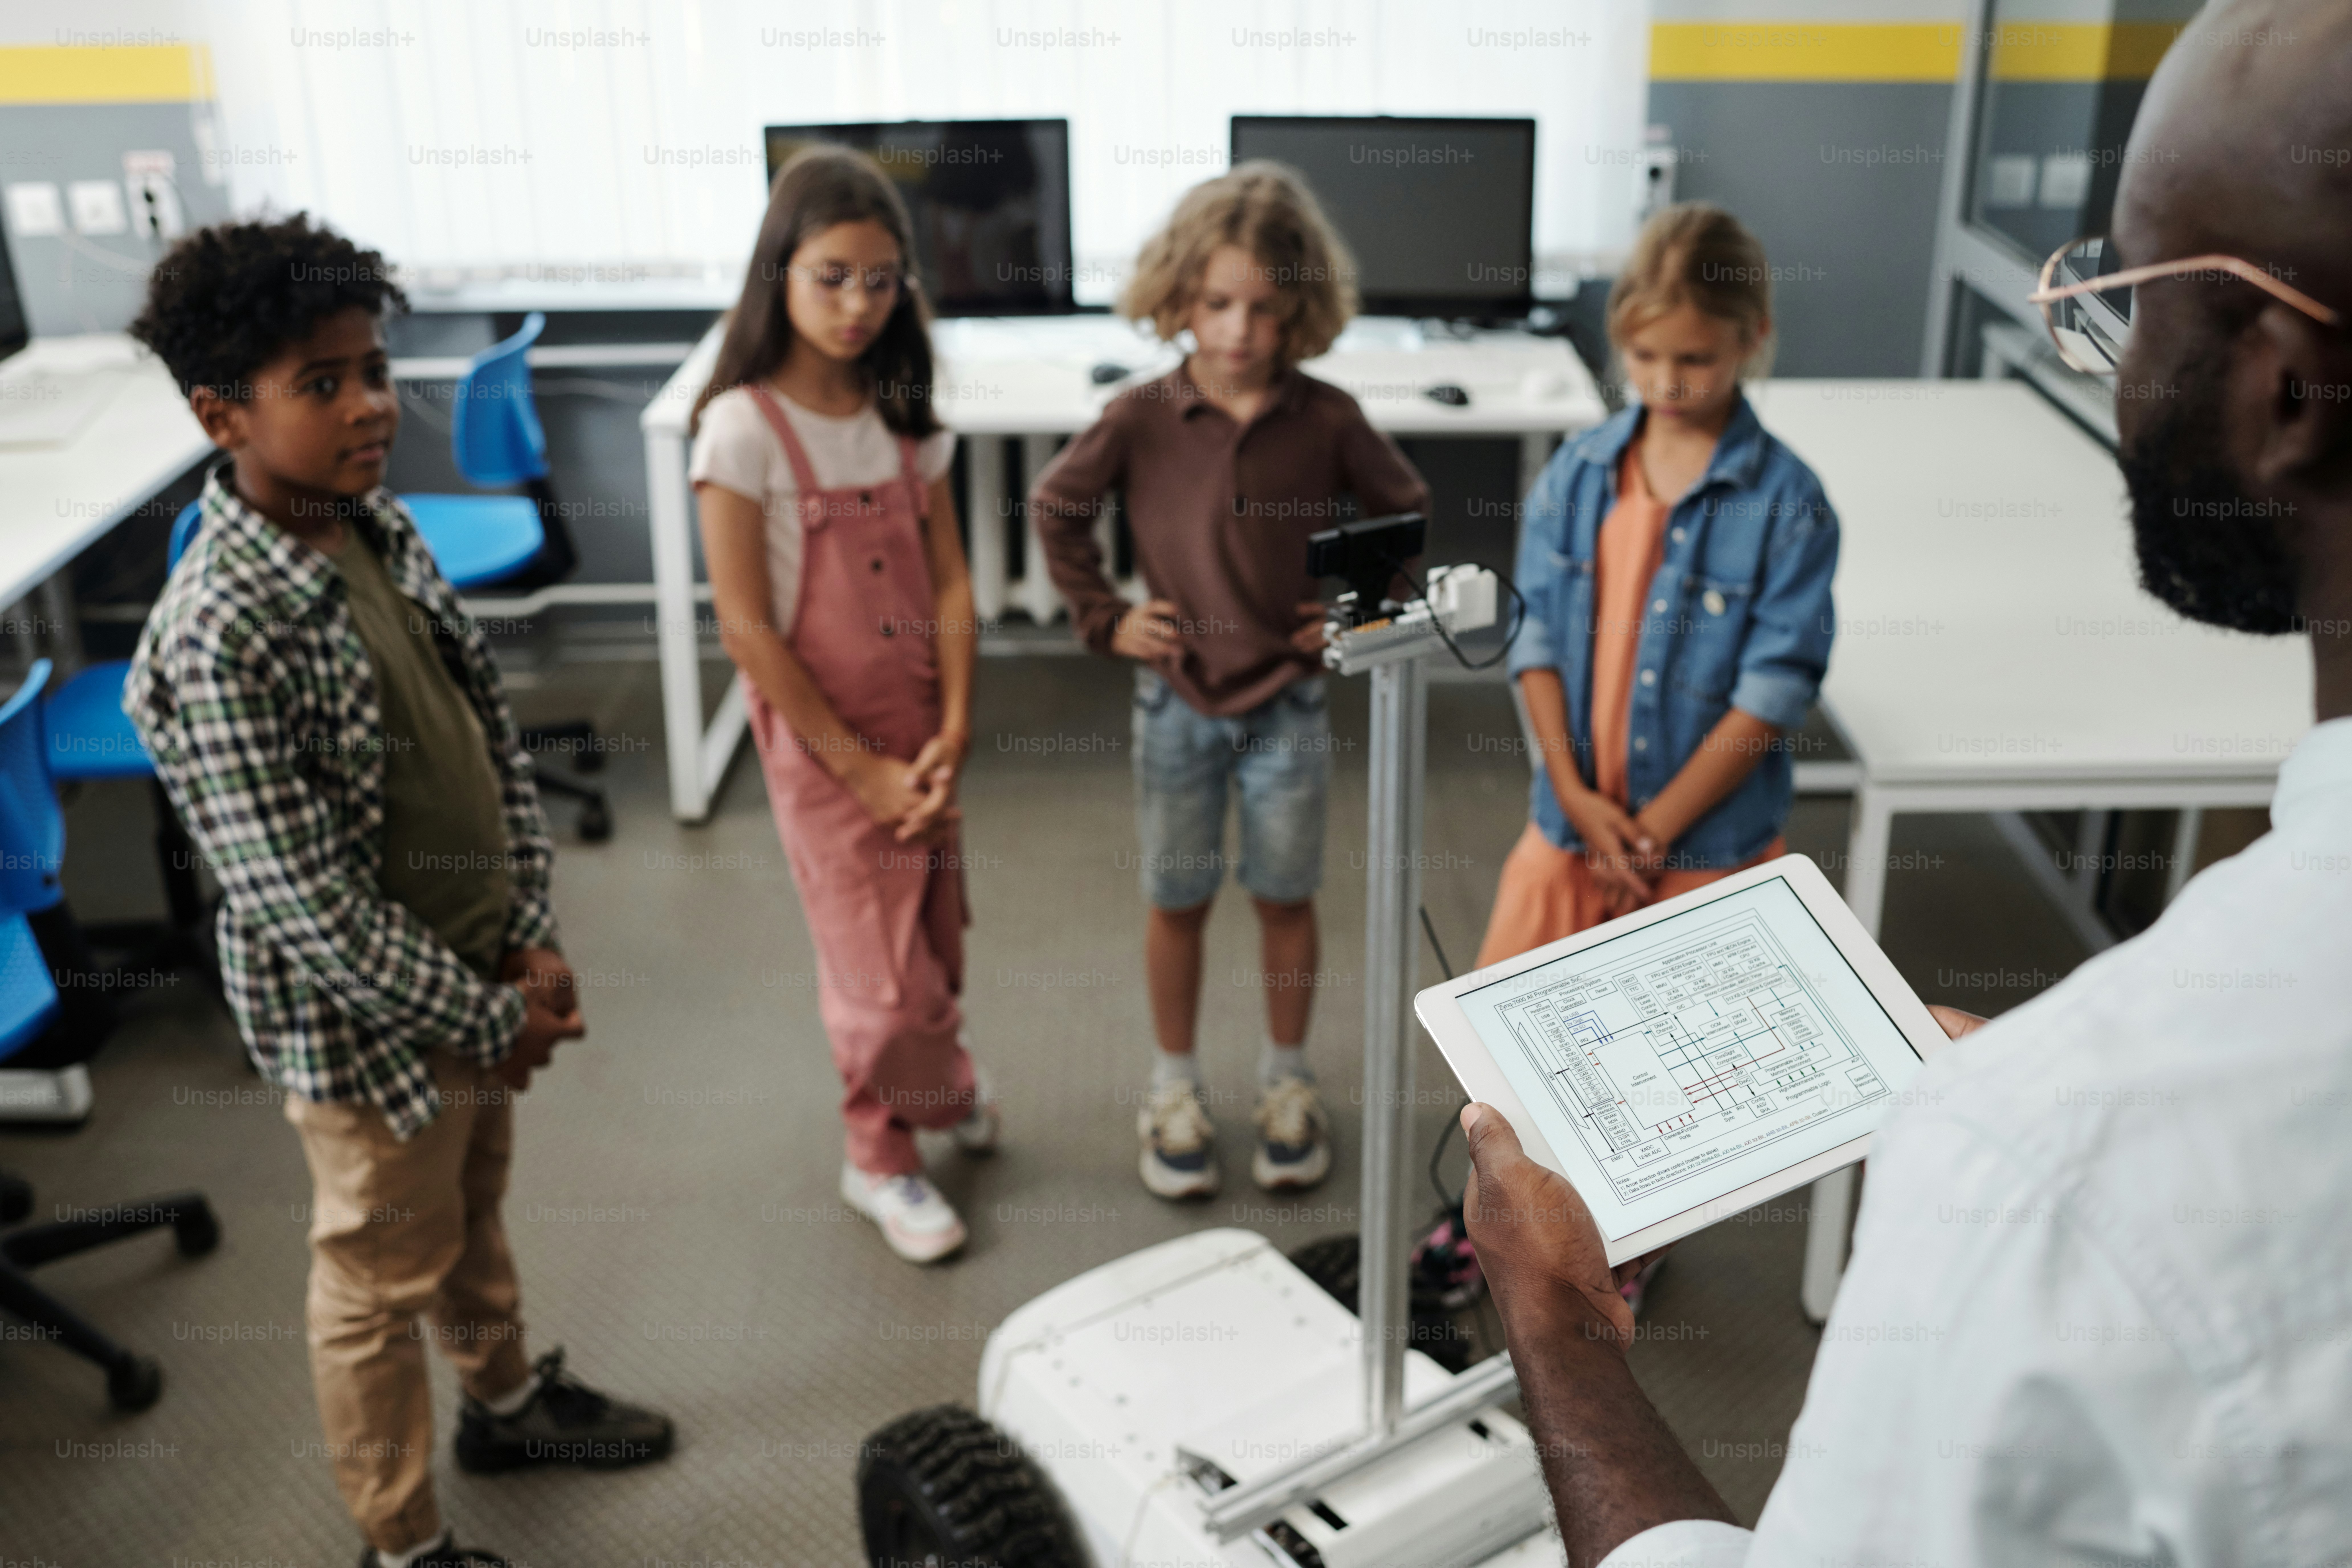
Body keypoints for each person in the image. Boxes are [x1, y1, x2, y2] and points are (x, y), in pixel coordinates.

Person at [1458, 4, 2352, 1563]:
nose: (2105, 344)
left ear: (2280, 388)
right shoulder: (2082, 1126)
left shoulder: (2043, 1163)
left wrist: (1558, 1335)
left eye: (2119, 296)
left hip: (1701, 850)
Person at [124, 216, 670, 1568]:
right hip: (370, 1038)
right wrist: (495, 1016)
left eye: (376, 369)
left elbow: (481, 734)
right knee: (376, 1279)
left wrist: (528, 931)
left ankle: (504, 1401)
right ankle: (403, 1543)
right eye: (324, 383)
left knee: (471, 1211)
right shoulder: (219, 637)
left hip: (476, 973)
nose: (373, 405)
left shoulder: (374, 520)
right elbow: (315, 913)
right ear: (220, 412)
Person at [1032, 163, 1431, 1200]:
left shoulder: (1330, 416)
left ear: (1298, 307)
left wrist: (1350, 614)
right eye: (1216, 304)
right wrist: (1106, 617)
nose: (1240, 329)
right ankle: (1174, 1086)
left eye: (1263, 307)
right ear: (1178, 299)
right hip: (1177, 704)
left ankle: (1287, 1081)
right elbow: (1056, 509)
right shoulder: (1142, 414)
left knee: (1286, 897)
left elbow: (1403, 518)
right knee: (1179, 897)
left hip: (1289, 707)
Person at [690, 148, 992, 1265]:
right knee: (878, 984)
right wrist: (861, 768)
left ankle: (934, 1075)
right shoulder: (739, 430)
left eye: (881, 279)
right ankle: (883, 1152)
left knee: (937, 938)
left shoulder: (905, 415)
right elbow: (748, 627)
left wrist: (956, 727)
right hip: (828, 754)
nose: (858, 304)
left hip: (923, 729)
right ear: (780, 273)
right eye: (830, 277)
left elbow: (953, 580)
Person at [1479, 204, 1837, 970]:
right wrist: (1572, 795)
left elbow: (1772, 694)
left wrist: (1654, 834)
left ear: (1754, 336)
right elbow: (1533, 638)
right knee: (1500, 1065)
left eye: (1695, 360)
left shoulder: (1790, 505)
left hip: (1706, 843)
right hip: (1574, 824)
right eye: (1643, 356)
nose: (1666, 383)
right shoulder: (1575, 472)